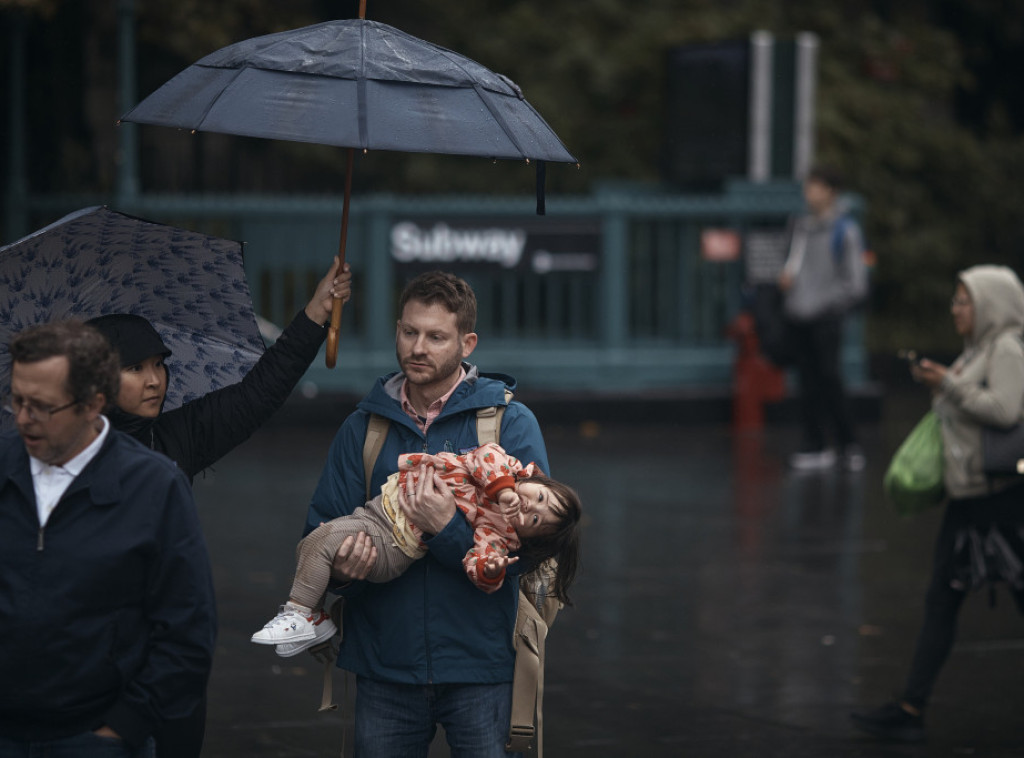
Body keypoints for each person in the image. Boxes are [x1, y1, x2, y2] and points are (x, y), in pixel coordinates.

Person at [86, 257, 351, 758]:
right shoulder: (62, 460)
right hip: (91, 675)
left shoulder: (173, 438)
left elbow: (256, 395)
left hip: (168, 668)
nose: (154, 380)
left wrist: (316, 313)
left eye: (159, 364)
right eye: (135, 368)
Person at [305, 270, 550, 757]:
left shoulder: (508, 424)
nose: (418, 347)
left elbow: (533, 548)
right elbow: (318, 530)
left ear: (467, 342)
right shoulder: (364, 428)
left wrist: (447, 530)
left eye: (436, 336)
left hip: (481, 667)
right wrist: (347, 573)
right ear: (397, 328)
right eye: (409, 332)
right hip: (384, 667)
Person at [0, 321, 216, 758]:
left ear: (92, 403)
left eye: (43, 406)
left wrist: (123, 728)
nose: (25, 417)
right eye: (18, 401)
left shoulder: (154, 486)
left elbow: (187, 630)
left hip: (97, 738)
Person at [851, 265, 1024, 743]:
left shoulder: (1006, 348)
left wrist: (948, 384)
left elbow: (1006, 410)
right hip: (970, 499)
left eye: (964, 301)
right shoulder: (976, 352)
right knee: (940, 601)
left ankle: (910, 707)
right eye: (955, 300)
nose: (955, 309)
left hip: (1003, 503)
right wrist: (945, 380)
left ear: (992, 305)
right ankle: (910, 706)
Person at [252, 442, 581, 656]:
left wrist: (490, 569)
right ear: (540, 481)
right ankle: (316, 618)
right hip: (380, 512)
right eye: (538, 497)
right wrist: (503, 490)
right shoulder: (506, 469)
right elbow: (486, 455)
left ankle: (298, 614)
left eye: (534, 519)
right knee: (313, 544)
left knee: (322, 542)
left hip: (393, 540)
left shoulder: (499, 532)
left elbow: (478, 558)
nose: (526, 507)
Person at [778, 165, 869, 471]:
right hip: (799, 315)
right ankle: (814, 445)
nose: (809, 193)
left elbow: (856, 284)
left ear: (830, 191)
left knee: (830, 379)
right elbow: (790, 264)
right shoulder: (798, 226)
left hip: (827, 317)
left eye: (815, 187)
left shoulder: (846, 230)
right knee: (807, 382)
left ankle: (848, 444)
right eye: (808, 187)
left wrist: (827, 303)